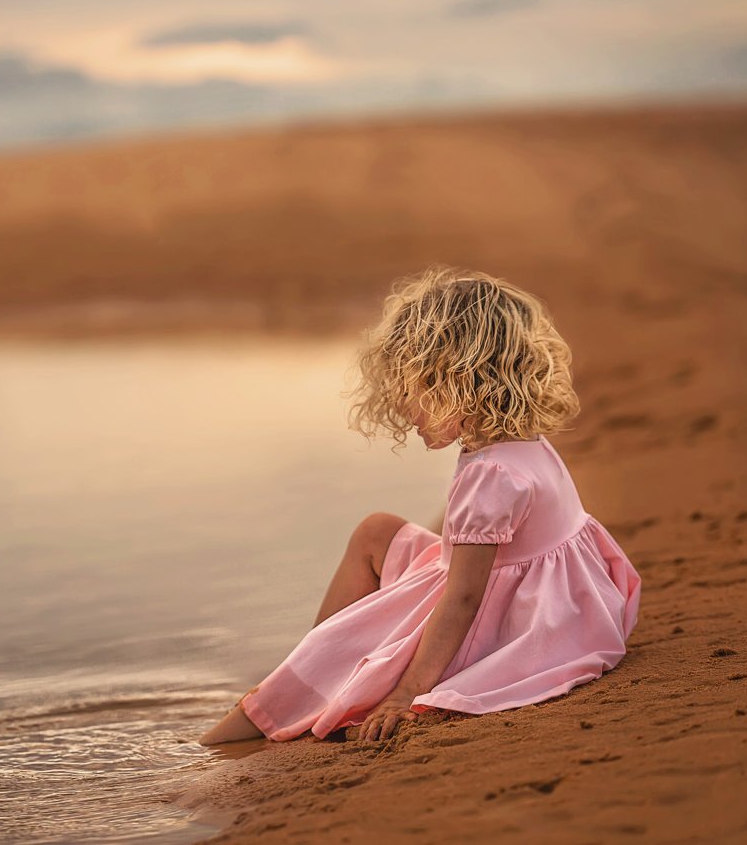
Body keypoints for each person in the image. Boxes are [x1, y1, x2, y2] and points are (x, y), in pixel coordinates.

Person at [198, 264, 641, 746]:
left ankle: (288, 693)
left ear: (462, 379)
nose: (406, 409)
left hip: (510, 623)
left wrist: (406, 692)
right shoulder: (522, 442)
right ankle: (314, 662)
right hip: (559, 602)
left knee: (232, 732)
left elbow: (464, 597)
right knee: (376, 531)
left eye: (415, 390)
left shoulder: (491, 476)